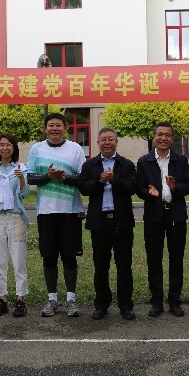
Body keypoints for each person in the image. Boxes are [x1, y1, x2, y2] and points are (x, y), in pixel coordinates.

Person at [27, 112, 86, 318]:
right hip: (46, 211)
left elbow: (83, 178)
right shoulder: (36, 149)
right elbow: (30, 178)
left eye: (58, 125)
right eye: (51, 125)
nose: (54, 129)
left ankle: (71, 300)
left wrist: (64, 177)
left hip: (70, 211)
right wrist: (48, 176)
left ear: (66, 128)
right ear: (45, 129)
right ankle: (52, 299)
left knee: (69, 256)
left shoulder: (75, 148)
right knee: (49, 256)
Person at [78, 128, 137, 320]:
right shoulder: (90, 165)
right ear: (98, 143)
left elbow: (132, 188)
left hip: (122, 222)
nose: (107, 142)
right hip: (99, 222)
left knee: (124, 265)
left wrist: (114, 179)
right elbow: (84, 188)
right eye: (103, 139)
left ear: (116, 142)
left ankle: (125, 305)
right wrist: (100, 181)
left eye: (111, 139)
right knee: (101, 266)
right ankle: (101, 304)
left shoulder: (126, 164)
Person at [136, 122, 189, 318]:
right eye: (160, 134)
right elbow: (139, 188)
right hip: (154, 215)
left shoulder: (180, 160)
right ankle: (157, 302)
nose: (163, 138)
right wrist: (148, 192)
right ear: (154, 137)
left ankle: (175, 302)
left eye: (167, 135)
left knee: (176, 259)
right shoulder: (144, 161)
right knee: (154, 259)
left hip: (176, 215)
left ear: (172, 138)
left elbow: (188, 187)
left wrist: (176, 187)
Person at [0, 133, 30, 318]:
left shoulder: (20, 168)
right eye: (1, 145)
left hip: (15, 218)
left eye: (8, 144)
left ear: (14, 147)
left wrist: (21, 178)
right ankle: (1, 300)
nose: (5, 148)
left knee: (18, 261)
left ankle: (20, 300)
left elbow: (24, 194)